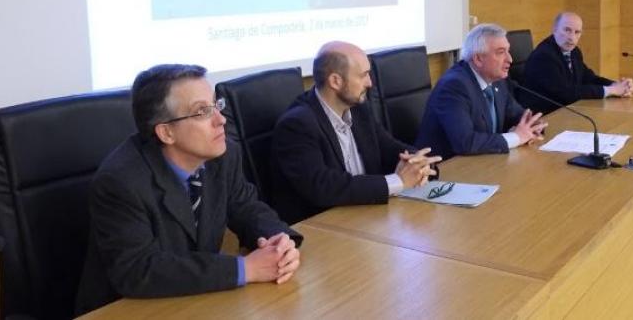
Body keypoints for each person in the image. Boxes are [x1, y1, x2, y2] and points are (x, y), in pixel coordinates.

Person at [75, 64, 301, 315]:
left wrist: (278, 242)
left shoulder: (224, 154)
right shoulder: (120, 182)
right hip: (127, 309)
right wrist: (244, 269)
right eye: (203, 112)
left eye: (217, 105)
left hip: (196, 300)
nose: (221, 119)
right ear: (166, 132)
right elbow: (138, 269)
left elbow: (246, 207)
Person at [271, 41, 440, 224]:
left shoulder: (359, 109)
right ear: (335, 81)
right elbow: (324, 187)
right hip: (324, 226)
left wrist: (421, 165)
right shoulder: (297, 125)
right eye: (364, 75)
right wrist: (397, 181)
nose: (370, 83)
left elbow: (390, 148)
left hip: (366, 216)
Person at [415, 23, 547, 160]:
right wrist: (517, 137)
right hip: (445, 168)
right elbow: (465, 142)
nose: (510, 59)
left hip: (483, 162)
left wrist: (533, 127)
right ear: (478, 59)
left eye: (508, 51)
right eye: (501, 52)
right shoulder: (454, 86)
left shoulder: (497, 80)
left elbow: (517, 114)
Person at [522, 12, 633, 114]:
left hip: (568, 112)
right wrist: (611, 90)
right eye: (567, 30)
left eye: (577, 32)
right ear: (555, 29)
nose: (572, 37)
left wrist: (616, 85)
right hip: (545, 118)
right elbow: (566, 93)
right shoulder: (544, 55)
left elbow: (589, 78)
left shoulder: (574, 51)